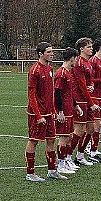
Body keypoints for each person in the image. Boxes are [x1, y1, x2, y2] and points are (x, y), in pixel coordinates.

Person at [25, 42, 58, 182]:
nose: (52, 54)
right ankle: (30, 173)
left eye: (52, 51)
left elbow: (50, 93)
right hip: (37, 114)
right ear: (40, 54)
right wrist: (38, 115)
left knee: (51, 140)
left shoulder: (49, 68)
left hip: (48, 113)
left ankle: (52, 170)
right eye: (49, 52)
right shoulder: (35, 70)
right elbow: (31, 95)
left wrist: (54, 110)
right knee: (33, 141)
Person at [70, 37, 101, 167]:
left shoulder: (88, 63)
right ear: (81, 49)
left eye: (91, 46)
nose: (91, 49)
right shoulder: (78, 63)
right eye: (89, 47)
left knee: (91, 128)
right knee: (79, 129)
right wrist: (91, 103)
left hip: (88, 98)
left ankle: (80, 156)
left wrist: (92, 85)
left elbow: (90, 80)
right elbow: (81, 84)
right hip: (80, 99)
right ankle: (67, 157)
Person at [54, 47, 82, 177]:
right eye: (75, 58)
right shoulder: (61, 73)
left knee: (69, 136)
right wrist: (59, 111)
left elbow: (69, 93)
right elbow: (57, 93)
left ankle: (64, 161)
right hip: (64, 111)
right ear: (72, 58)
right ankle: (60, 165)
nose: (76, 61)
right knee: (64, 138)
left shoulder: (68, 72)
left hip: (70, 109)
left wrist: (76, 106)